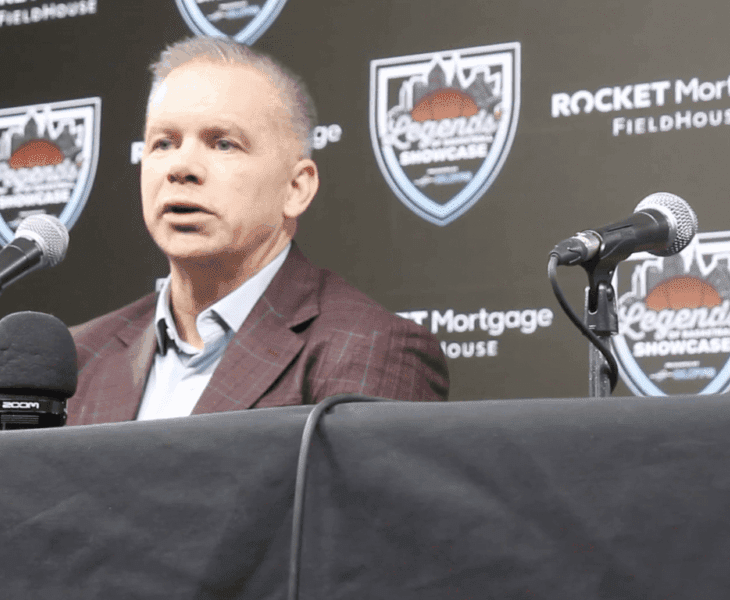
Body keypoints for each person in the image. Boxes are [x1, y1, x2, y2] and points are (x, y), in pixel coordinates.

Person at [67, 36, 448, 425]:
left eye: (224, 144)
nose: (181, 168)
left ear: (296, 188)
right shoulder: (79, 357)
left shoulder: (369, 349)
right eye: (163, 142)